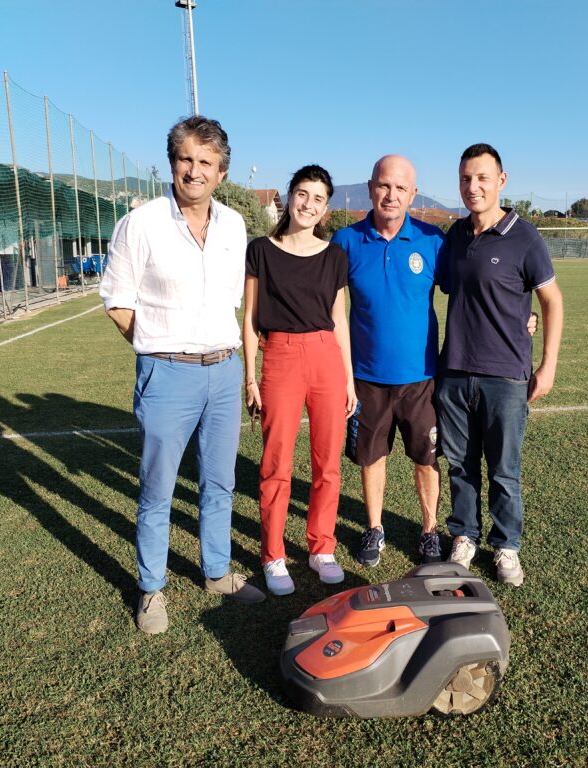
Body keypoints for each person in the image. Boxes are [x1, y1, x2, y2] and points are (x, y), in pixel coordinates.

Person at [100, 115, 265, 635]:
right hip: (166, 374)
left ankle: (216, 571)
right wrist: (158, 348)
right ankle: (152, 588)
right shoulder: (142, 223)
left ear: (221, 173)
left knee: (219, 482)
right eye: (186, 159)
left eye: (206, 163)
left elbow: (239, 300)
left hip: (223, 371)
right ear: (172, 163)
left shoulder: (235, 225)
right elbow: (117, 301)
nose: (194, 171)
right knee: (157, 489)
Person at [436, 143, 563, 587]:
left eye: (483, 178)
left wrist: (547, 366)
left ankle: (506, 546)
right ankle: (465, 537)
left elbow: (551, 300)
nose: (474, 187)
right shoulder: (454, 237)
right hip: (453, 373)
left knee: (504, 470)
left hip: (506, 376)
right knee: (460, 465)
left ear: (501, 181)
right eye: (466, 179)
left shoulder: (525, 236)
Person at [243, 165, 357, 596]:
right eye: (302, 194)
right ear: (289, 196)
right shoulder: (261, 250)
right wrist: (250, 376)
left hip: (326, 357)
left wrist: (347, 378)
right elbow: (250, 318)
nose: (308, 204)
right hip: (281, 357)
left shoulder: (334, 257)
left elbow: (339, 320)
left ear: (326, 209)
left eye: (318, 199)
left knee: (328, 462)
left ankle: (321, 548)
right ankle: (273, 555)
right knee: (276, 463)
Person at [331, 155, 446, 567]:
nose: (391, 195)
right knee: (370, 457)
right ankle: (375, 527)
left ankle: (430, 531)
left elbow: (474, 289)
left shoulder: (433, 241)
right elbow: (323, 301)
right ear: (370, 187)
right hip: (366, 379)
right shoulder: (346, 241)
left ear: (413, 193)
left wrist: (525, 312)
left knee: (426, 459)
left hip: (421, 378)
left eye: (400, 188)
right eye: (384, 185)